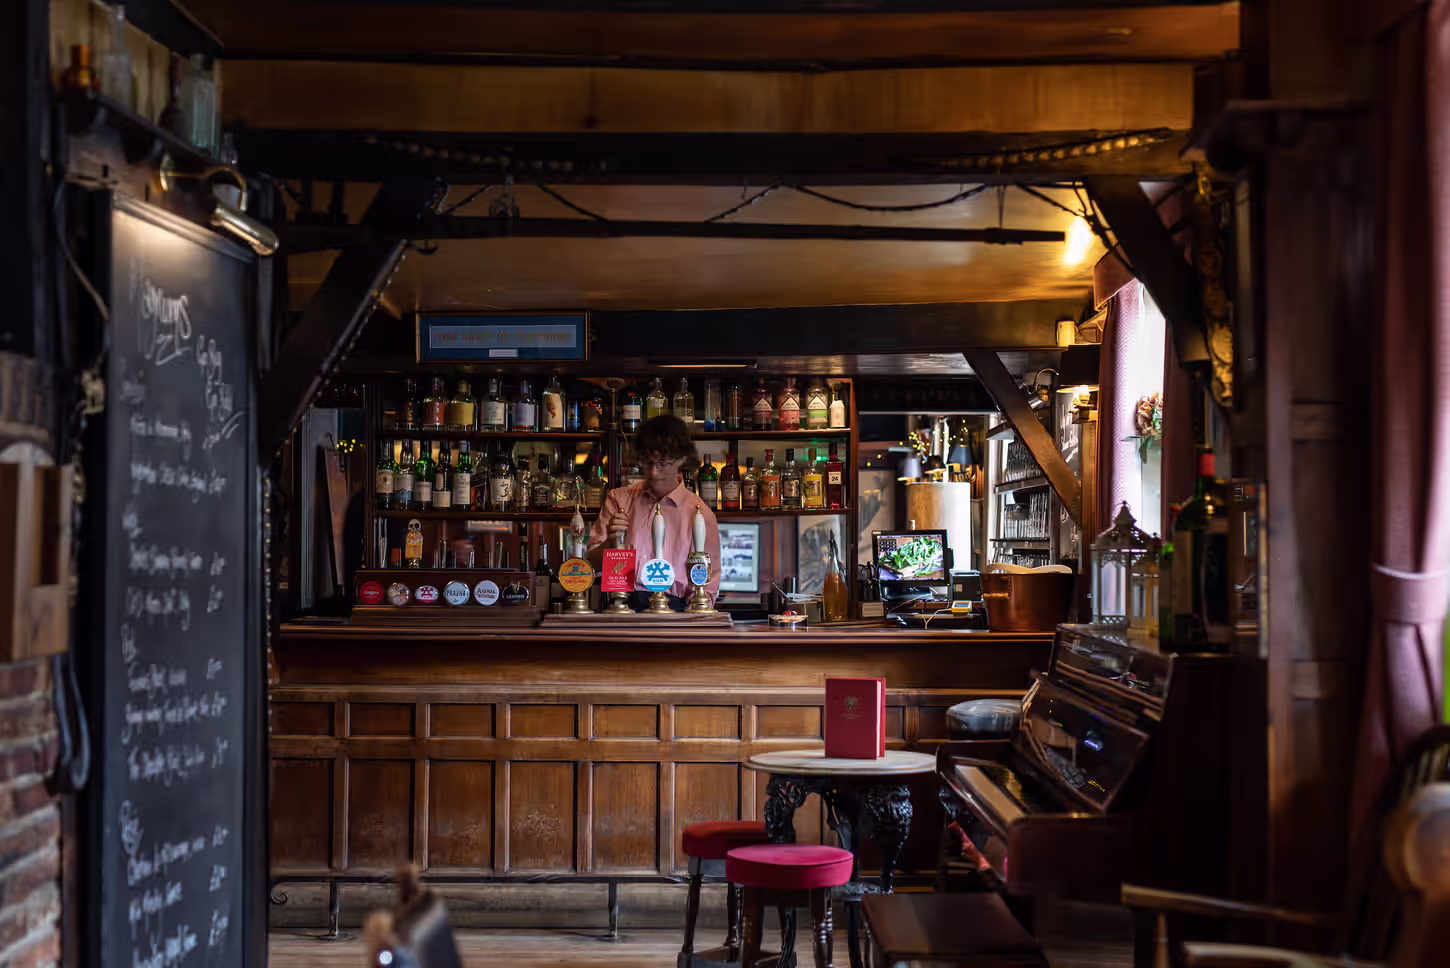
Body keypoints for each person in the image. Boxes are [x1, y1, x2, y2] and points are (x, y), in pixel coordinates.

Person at [587, 415, 721, 610]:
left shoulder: (700, 514)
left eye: (663, 464)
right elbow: (591, 565)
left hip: (676, 616)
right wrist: (610, 545)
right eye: (648, 463)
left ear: (682, 458)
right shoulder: (618, 500)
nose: (654, 472)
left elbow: (706, 591)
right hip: (622, 609)